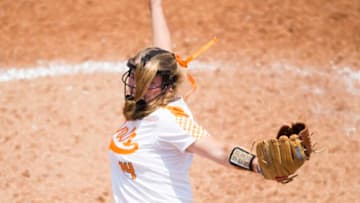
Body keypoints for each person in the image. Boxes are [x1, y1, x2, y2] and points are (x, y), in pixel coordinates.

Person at [108, 0, 262, 202]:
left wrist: (257, 163)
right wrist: (155, 5)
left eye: (148, 82)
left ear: (167, 87)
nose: (138, 86)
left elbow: (220, 150)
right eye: (135, 77)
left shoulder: (168, 121)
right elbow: (162, 52)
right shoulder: (149, 102)